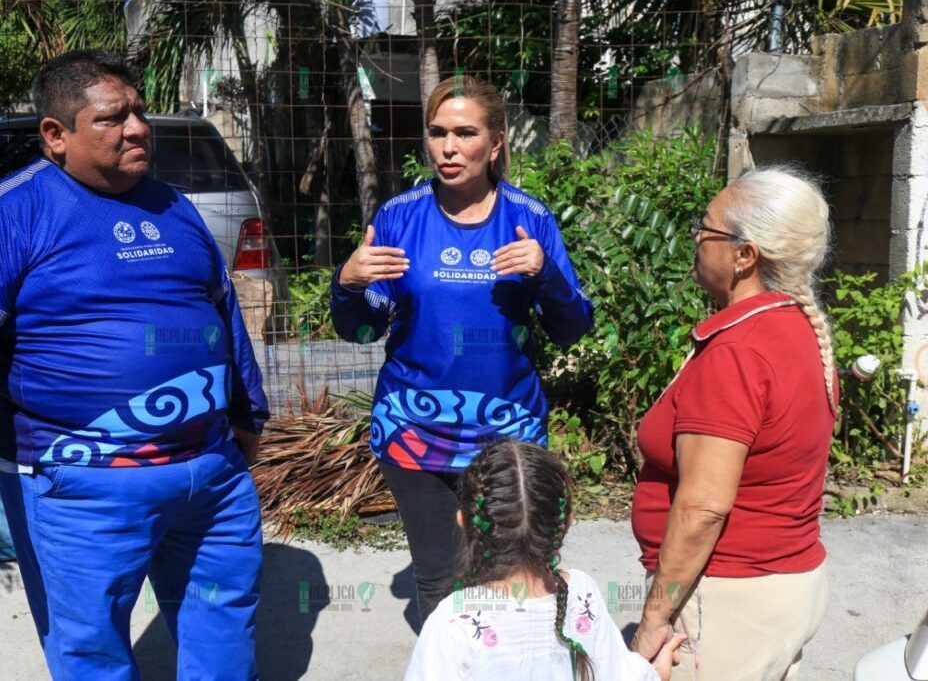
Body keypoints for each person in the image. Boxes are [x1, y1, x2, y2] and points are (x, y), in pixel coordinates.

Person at [0, 50, 268, 679]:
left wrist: (248, 410)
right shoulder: (2, 216)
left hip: (211, 475)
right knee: (89, 646)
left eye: (139, 112)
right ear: (56, 135)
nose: (138, 127)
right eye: (113, 118)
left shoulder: (174, 206)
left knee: (224, 616)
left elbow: (224, 317)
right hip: (78, 482)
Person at [330, 75, 594, 624]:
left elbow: (572, 329)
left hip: (509, 436)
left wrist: (545, 276)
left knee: (517, 576)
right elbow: (362, 330)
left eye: (465, 133)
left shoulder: (531, 219)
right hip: (414, 430)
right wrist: (348, 285)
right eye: (437, 133)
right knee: (442, 582)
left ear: (496, 142)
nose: (448, 148)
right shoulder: (400, 217)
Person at [630, 167, 838, 680]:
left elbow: (702, 508)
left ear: (745, 255)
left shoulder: (739, 352)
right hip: (783, 587)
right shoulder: (795, 329)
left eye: (707, 228)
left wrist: (654, 617)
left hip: (727, 599)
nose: (697, 238)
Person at [405, 440, 685, 680]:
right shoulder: (581, 594)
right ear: (567, 522)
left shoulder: (454, 620)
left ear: (463, 522)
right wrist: (657, 671)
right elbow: (619, 674)